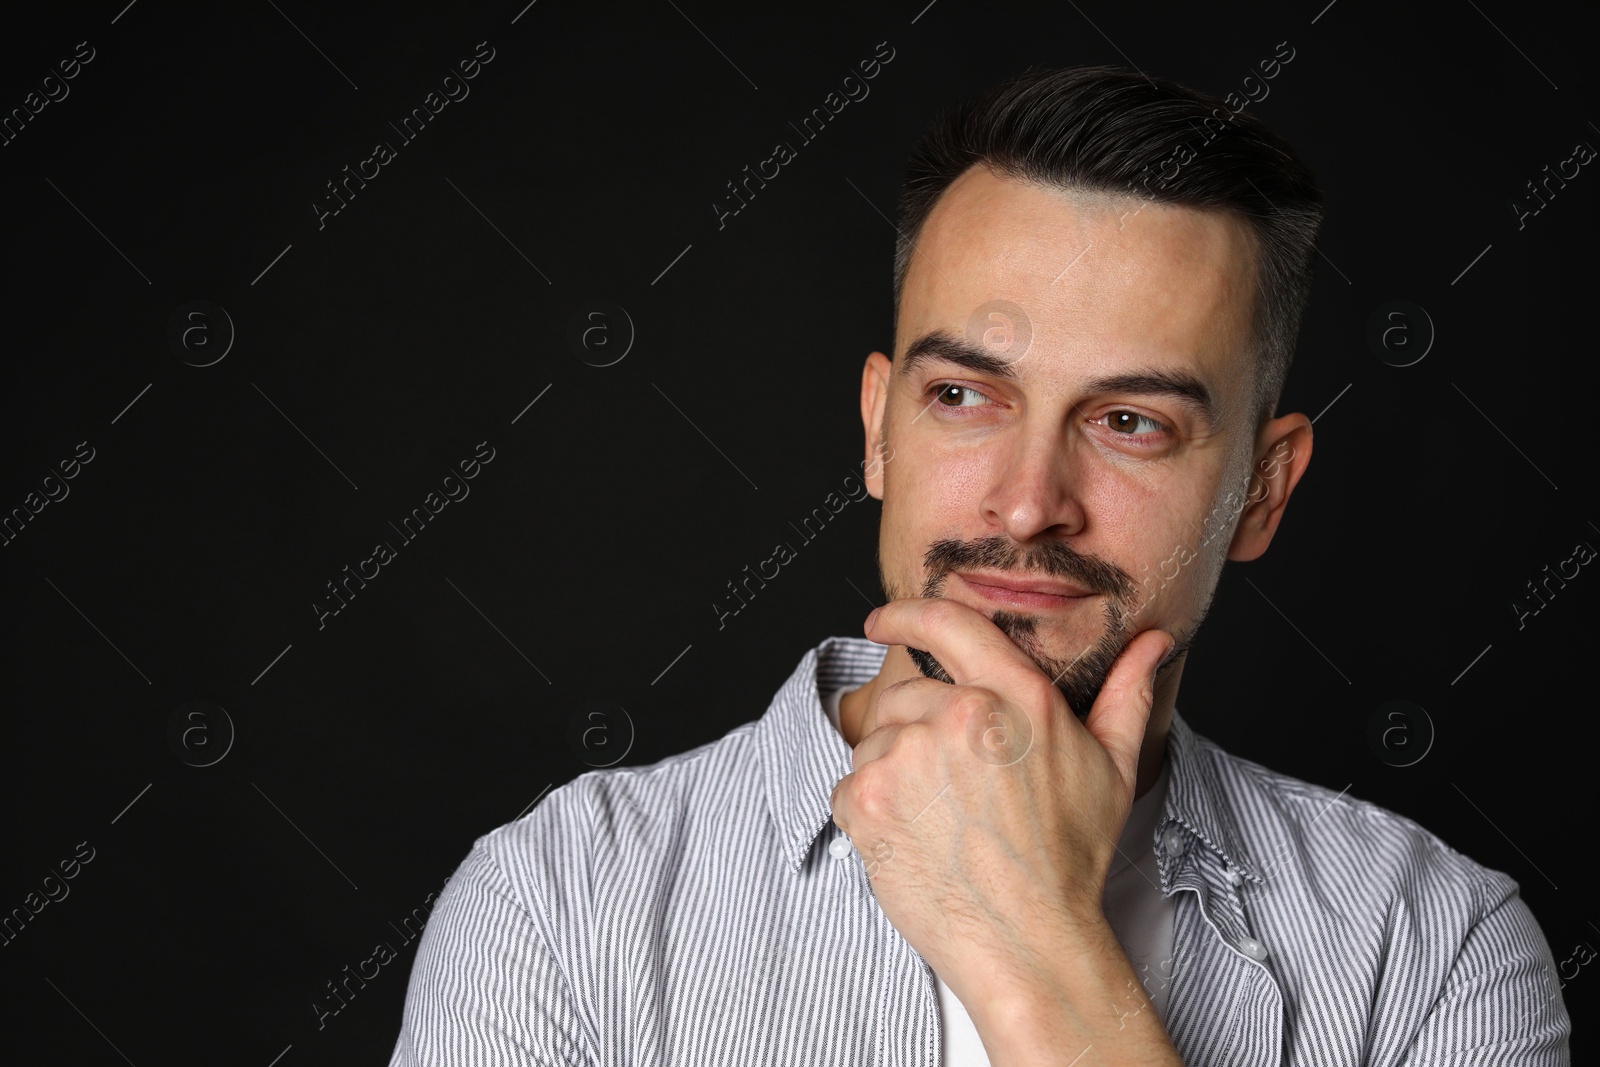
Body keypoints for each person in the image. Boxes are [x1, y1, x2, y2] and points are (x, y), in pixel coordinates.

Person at [387, 64, 1572, 1065]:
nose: (1027, 500)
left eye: (1130, 422)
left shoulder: (1430, 950)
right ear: (878, 429)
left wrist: (1033, 940)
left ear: (1260, 490)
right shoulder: (558, 901)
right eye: (962, 395)